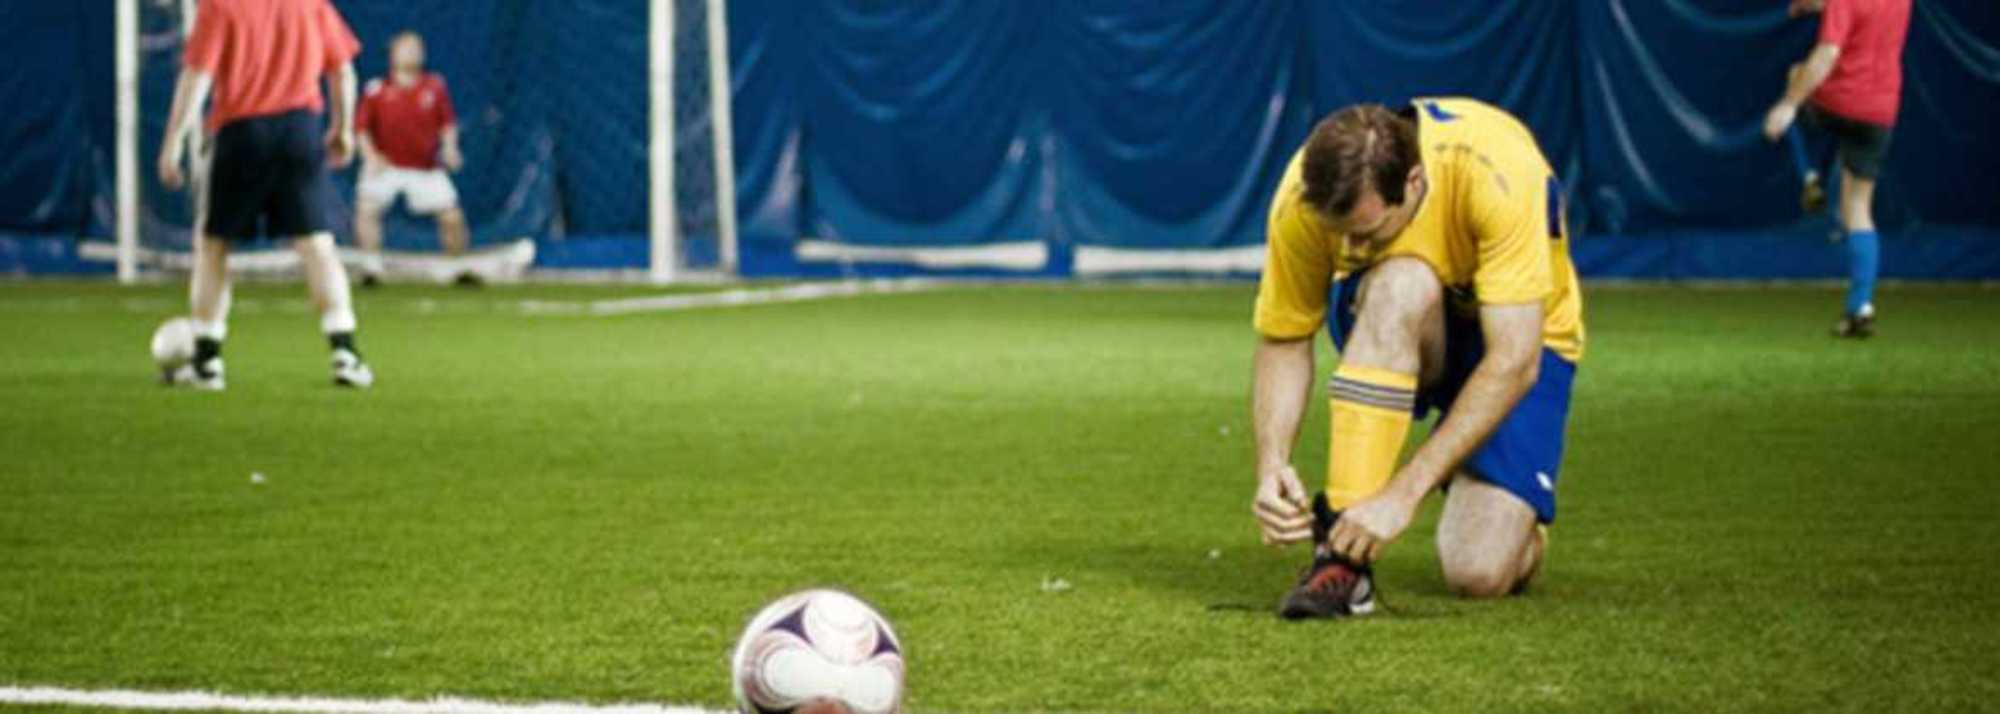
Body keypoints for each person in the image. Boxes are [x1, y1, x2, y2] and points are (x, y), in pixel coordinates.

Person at [1250, 99, 1585, 619]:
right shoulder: (1302, 198)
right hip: (1404, 316)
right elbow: (1285, 337)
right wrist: (1272, 465)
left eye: (1366, 233)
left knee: (1479, 573)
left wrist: (1403, 494)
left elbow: (1514, 361)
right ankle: (1341, 562)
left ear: (1413, 182)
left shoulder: (1499, 174)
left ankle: (1511, 514)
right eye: (1338, 233)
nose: (1350, 247)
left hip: (1515, 340)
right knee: (1401, 281)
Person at [155, 0, 374, 390]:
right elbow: (342, 70)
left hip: (243, 133)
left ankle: (207, 364)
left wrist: (174, 142)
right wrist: (341, 128)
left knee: (214, 245)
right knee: (317, 245)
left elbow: (198, 75)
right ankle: (346, 354)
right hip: (299, 129)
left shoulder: (220, 5)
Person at [1763, 0, 1911, 338]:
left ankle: (1809, 175)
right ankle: (1860, 308)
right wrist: (1814, 6)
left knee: (1796, 76)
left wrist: (1788, 105)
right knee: (1857, 208)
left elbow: (1827, 53)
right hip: (1880, 111)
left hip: (1841, 100)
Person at [353, 31, 469, 286]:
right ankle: (371, 268)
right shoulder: (376, 90)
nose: (413, 53)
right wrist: (371, 157)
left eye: (417, 48)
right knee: (366, 208)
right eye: (407, 48)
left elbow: (447, 125)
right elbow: (361, 130)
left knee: (452, 216)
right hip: (387, 166)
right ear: (393, 55)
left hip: (424, 168)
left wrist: (450, 149)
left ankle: (456, 268)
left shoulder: (434, 86)